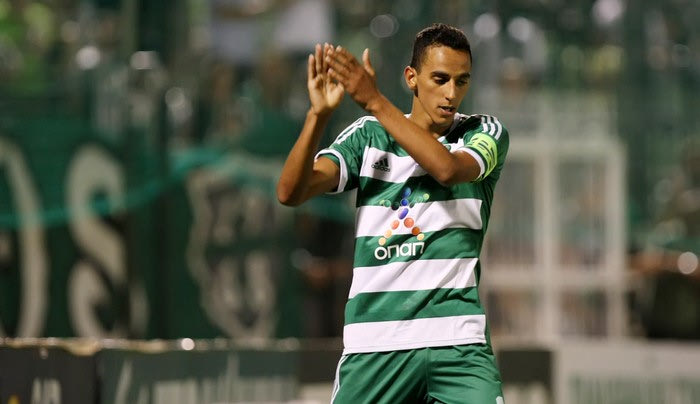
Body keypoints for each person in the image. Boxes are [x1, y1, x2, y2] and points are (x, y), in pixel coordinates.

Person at [277, 23, 509, 403]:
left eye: (462, 81)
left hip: (458, 343)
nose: (452, 93)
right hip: (375, 345)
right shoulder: (368, 137)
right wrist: (317, 116)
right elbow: (290, 192)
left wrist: (374, 100)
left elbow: (447, 169)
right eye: (440, 79)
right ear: (411, 78)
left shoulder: (482, 132)